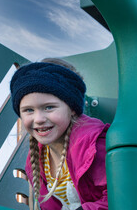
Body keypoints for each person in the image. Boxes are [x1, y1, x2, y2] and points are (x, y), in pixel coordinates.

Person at [10, 60, 109, 210]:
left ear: (72, 109)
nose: (39, 119)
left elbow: (122, 196)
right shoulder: (36, 159)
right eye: (28, 110)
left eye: (49, 107)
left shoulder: (92, 145)